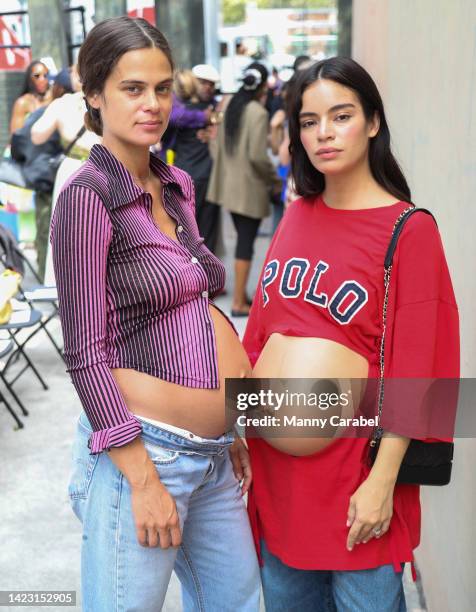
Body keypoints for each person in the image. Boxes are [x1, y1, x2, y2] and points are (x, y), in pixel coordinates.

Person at [50, 16, 259, 612]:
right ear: (95, 94)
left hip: (213, 456)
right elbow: (86, 353)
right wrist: (142, 478)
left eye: (163, 88)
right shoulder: (89, 199)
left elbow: (196, 304)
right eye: (132, 88)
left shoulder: (175, 186)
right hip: (145, 454)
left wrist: (231, 421)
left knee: (239, 605)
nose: (153, 104)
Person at [241, 57, 459, 611]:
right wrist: (237, 430)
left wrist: (382, 482)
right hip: (278, 489)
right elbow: (260, 338)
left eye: (340, 116)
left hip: (355, 488)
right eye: (309, 122)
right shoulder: (296, 217)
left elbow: (419, 369)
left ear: (373, 122)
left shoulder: (409, 229)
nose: (324, 134)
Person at [207, 62, 281, 317]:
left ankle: (241, 295)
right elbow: (258, 157)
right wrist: (275, 179)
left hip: (228, 187)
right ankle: (239, 302)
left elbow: (214, 145)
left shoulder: (230, 107)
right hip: (249, 188)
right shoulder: (257, 113)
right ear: (261, 86)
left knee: (242, 239)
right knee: (246, 243)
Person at [31, 64, 101, 284]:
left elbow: (37, 135)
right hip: (105, 168)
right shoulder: (107, 97)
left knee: (66, 233)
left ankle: (65, 286)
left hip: (71, 168)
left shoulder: (62, 104)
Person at [174, 64, 221, 253]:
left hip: (208, 177)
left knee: (206, 232)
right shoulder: (183, 110)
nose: (207, 87)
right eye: (203, 83)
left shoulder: (213, 109)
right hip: (187, 177)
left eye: (211, 84)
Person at [9, 59, 52, 133]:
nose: (42, 79)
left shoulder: (54, 97)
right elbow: (15, 135)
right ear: (29, 78)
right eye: (37, 76)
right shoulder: (23, 103)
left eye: (45, 75)